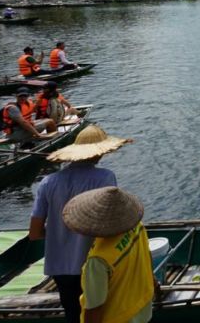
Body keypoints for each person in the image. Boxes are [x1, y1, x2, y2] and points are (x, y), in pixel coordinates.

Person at [31, 126, 128, 323]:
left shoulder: (48, 182)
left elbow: (34, 232)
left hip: (59, 267)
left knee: (73, 315)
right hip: (93, 264)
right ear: (99, 152)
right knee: (100, 314)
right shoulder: (105, 177)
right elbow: (111, 221)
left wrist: (59, 233)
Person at [62, 187, 155, 323]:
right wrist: (154, 283)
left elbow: (95, 308)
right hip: (143, 311)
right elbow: (147, 257)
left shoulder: (98, 260)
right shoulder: (136, 227)